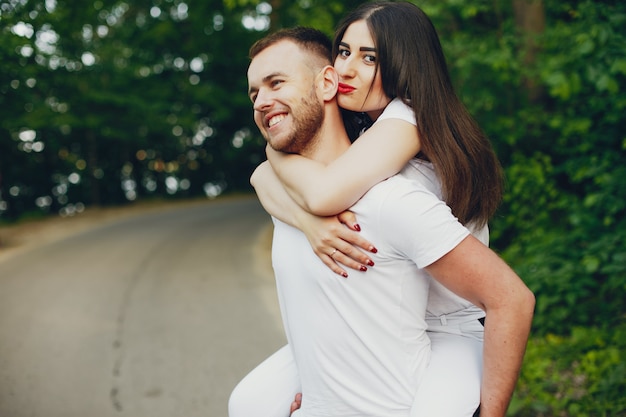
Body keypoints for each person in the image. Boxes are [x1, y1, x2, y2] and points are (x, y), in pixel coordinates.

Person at [230, 23, 534, 417]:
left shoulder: (405, 131)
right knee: (249, 402)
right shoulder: (357, 139)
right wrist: (309, 224)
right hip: (399, 320)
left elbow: (324, 194)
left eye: (369, 57)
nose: (347, 69)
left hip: (455, 324)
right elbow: (265, 175)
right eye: (343, 52)